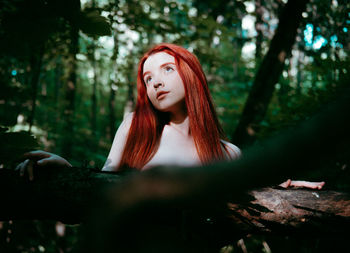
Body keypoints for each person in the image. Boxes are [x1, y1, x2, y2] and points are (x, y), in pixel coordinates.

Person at [16, 43, 324, 189]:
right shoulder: (136, 127)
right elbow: (100, 189)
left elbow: (257, 196)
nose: (156, 82)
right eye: (148, 79)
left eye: (167, 70)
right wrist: (66, 172)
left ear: (191, 76)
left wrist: (288, 187)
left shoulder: (228, 153)